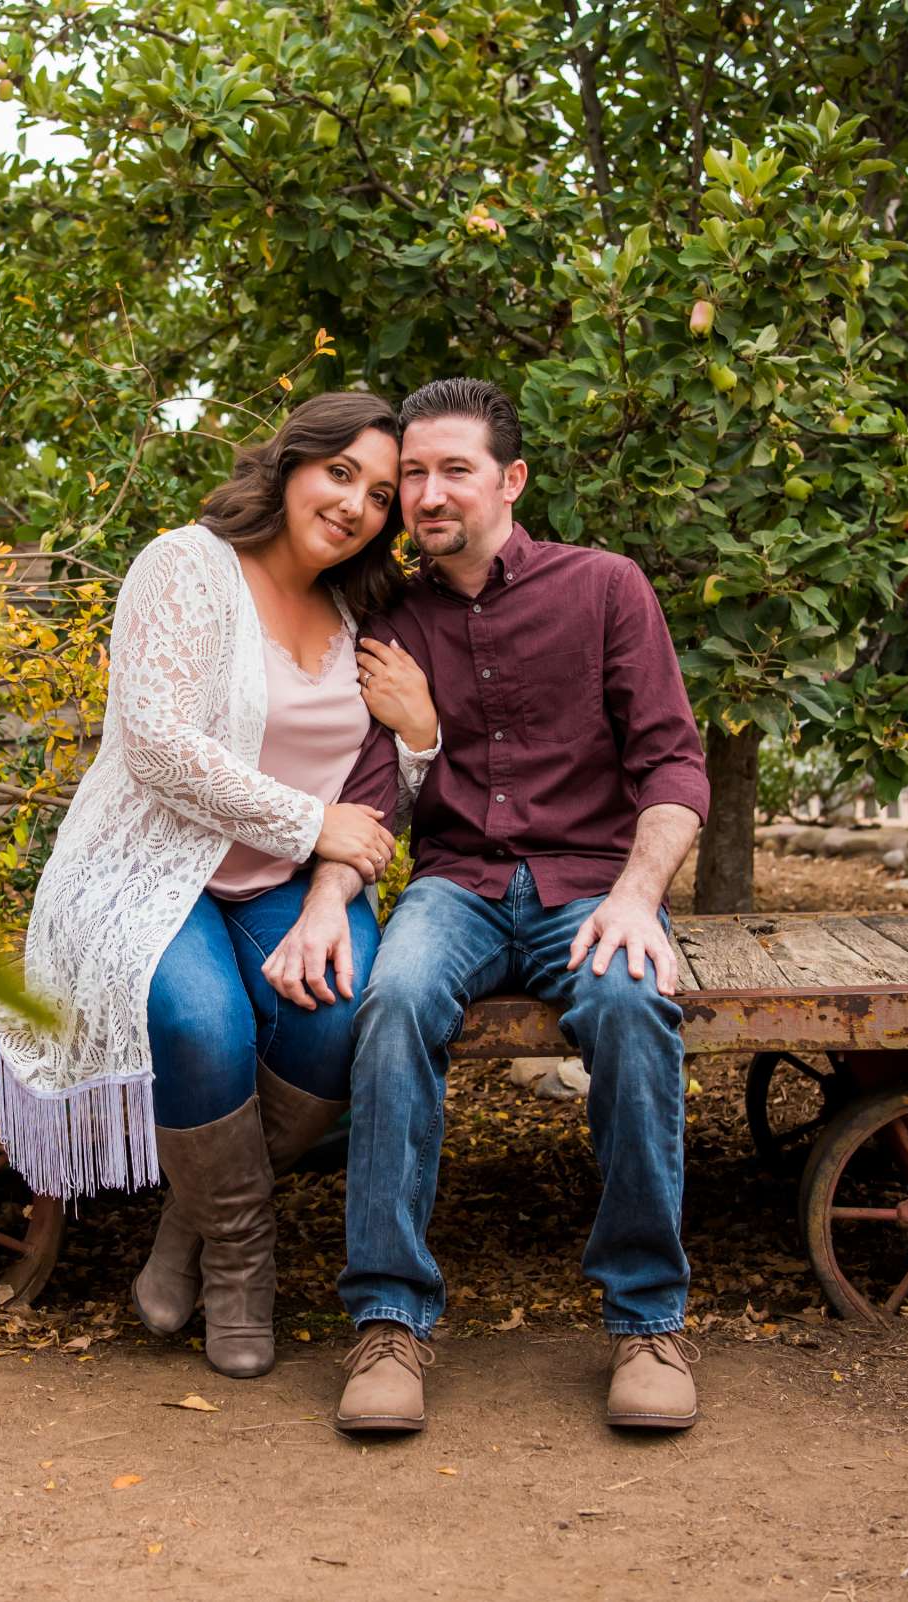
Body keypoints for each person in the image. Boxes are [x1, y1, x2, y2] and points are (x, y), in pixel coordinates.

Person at [257, 377, 711, 1434]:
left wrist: (641, 899)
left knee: (634, 1005)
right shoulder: (388, 618)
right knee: (393, 1000)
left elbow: (674, 766)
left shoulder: (605, 587)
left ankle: (648, 1322)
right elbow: (368, 790)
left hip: (591, 883)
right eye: (411, 473)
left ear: (509, 480)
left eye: (452, 468)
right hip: (455, 887)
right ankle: (388, 1322)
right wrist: (328, 901)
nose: (424, 491)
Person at [0, 391, 440, 1380]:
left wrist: (418, 740)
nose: (356, 504)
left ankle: (183, 1234)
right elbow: (157, 744)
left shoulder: (367, 608)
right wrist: (310, 822)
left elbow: (376, 783)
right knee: (204, 1024)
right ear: (291, 465)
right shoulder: (185, 566)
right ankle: (242, 1262)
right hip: (150, 866)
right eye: (341, 472)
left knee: (333, 1014)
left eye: (380, 493)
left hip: (288, 881)